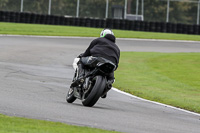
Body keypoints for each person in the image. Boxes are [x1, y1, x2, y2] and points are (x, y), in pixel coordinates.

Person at [71, 29, 120, 98]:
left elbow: (87, 52)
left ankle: (81, 77)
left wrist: (82, 56)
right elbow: (117, 63)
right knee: (111, 79)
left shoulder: (98, 40)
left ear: (102, 34)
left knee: (81, 61)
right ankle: (106, 87)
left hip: (97, 59)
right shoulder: (117, 48)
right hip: (111, 65)